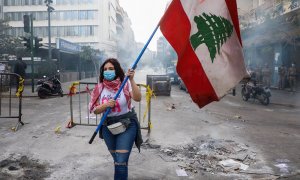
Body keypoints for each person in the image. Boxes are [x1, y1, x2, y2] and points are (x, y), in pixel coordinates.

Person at [89, 58, 143, 180]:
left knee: (120, 161)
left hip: (127, 124)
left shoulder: (125, 83)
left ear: (117, 70)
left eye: (111, 69)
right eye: (105, 69)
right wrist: (106, 105)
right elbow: (94, 110)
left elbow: (138, 98)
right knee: (119, 161)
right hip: (108, 127)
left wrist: (132, 79)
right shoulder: (99, 88)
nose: (108, 71)